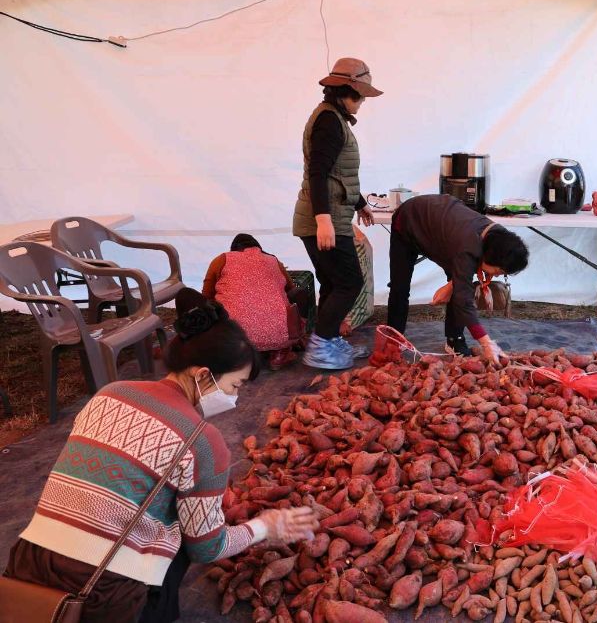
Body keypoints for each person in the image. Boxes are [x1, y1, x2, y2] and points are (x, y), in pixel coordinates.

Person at [3, 289, 318, 623]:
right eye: (234, 387)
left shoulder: (109, 393)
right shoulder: (203, 442)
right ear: (202, 376)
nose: (234, 400)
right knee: (185, 531)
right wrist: (263, 527)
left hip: (28, 561)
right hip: (100, 594)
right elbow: (207, 549)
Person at [292, 57, 380, 370]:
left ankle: (327, 342)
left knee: (332, 283)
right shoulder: (329, 121)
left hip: (329, 215)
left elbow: (337, 175)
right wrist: (323, 221)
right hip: (324, 219)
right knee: (349, 283)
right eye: (360, 96)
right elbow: (317, 173)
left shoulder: (333, 118)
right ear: (346, 91)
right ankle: (320, 347)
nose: (362, 103)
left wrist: (359, 203)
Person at [387, 194, 529, 361]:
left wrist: (452, 284)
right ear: (488, 256)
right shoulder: (466, 249)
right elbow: (464, 299)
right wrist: (486, 342)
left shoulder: (501, 237)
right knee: (400, 287)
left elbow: (464, 275)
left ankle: (455, 340)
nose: (497, 275)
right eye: (498, 270)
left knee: (459, 286)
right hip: (408, 221)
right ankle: (393, 339)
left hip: (443, 229)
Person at [203, 233, 306, 370]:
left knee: (211, 307)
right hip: (279, 336)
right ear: (259, 248)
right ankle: (280, 353)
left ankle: (238, 354)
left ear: (233, 249)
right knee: (297, 297)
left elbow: (206, 296)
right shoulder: (273, 260)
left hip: (234, 337)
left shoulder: (222, 259)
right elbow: (292, 290)